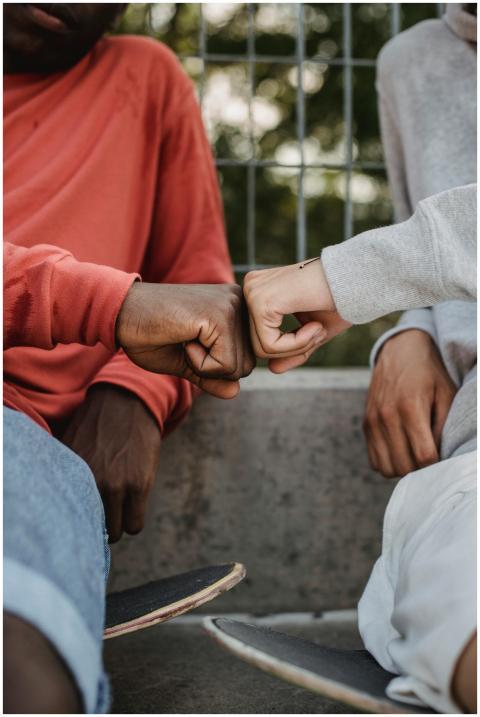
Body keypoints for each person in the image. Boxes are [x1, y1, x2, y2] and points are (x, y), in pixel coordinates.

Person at [4, 4, 254, 713]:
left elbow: (200, 282)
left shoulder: (146, 78)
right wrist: (108, 306)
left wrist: (137, 389)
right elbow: (136, 305)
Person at [243, 7, 476, 709]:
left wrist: (339, 279)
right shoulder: (410, 61)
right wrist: (407, 329)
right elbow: (439, 268)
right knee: (452, 593)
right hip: (471, 456)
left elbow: (408, 259)